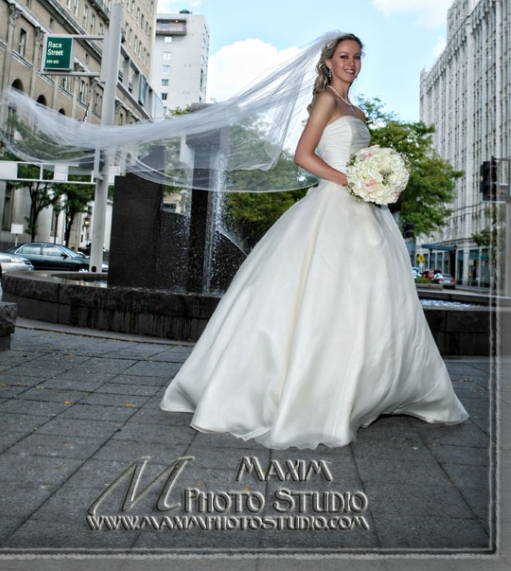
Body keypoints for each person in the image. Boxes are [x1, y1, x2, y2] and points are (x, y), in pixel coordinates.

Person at [162, 32, 468, 449]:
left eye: (357, 57)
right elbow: (304, 156)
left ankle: (368, 387)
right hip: (335, 205)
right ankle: (314, 391)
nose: (351, 63)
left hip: (365, 211)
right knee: (323, 296)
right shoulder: (326, 100)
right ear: (328, 62)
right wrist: (355, 180)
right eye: (344, 56)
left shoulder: (356, 109)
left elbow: (359, 158)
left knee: (368, 298)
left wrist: (379, 182)